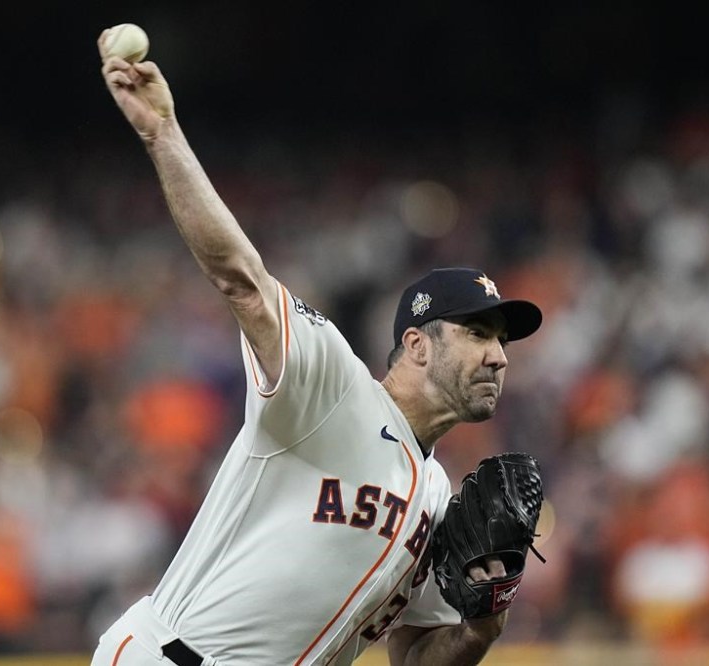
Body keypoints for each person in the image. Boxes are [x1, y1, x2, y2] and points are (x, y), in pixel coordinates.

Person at [93, 28, 544, 666]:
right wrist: (161, 134)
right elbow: (242, 280)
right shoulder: (333, 388)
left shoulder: (440, 499)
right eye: (477, 333)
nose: (498, 356)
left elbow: (414, 659)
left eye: (501, 340)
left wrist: (484, 622)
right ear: (416, 344)